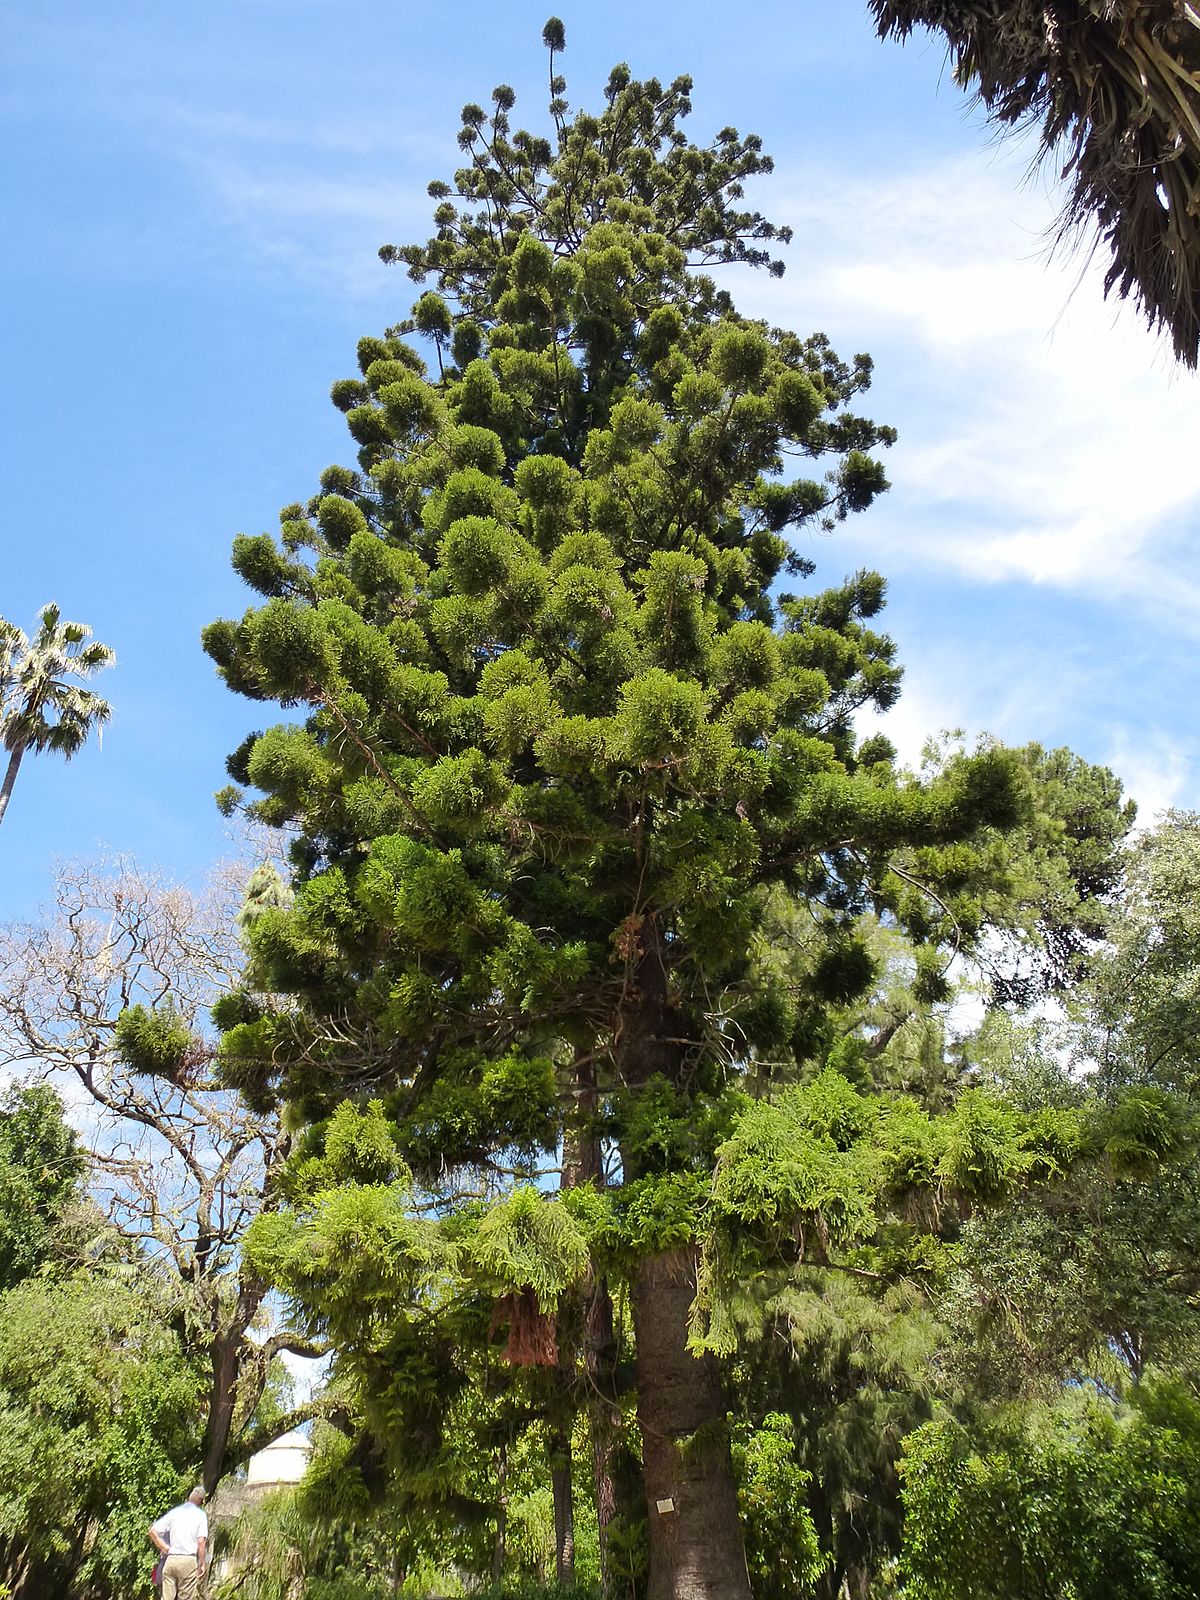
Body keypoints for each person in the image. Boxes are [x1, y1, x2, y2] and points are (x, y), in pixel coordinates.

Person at [148, 1485, 208, 1600]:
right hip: (188, 1561)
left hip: (171, 1559)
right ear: (200, 1500)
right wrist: (201, 1563)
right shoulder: (200, 1515)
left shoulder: (175, 1512)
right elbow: (201, 1541)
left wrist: (164, 1547)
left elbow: (152, 1531)